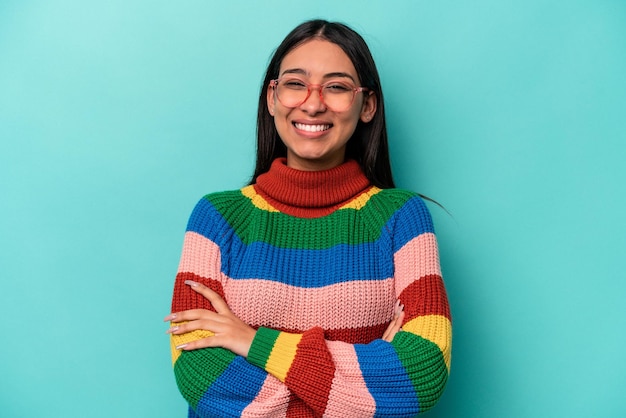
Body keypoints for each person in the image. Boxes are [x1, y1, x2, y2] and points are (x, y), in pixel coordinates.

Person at [164, 19, 452, 418]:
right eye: (296, 84)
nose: (313, 103)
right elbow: (199, 375)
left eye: (336, 87)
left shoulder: (402, 216)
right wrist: (361, 385)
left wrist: (254, 343)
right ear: (273, 97)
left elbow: (424, 372)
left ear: (366, 104)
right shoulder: (217, 217)